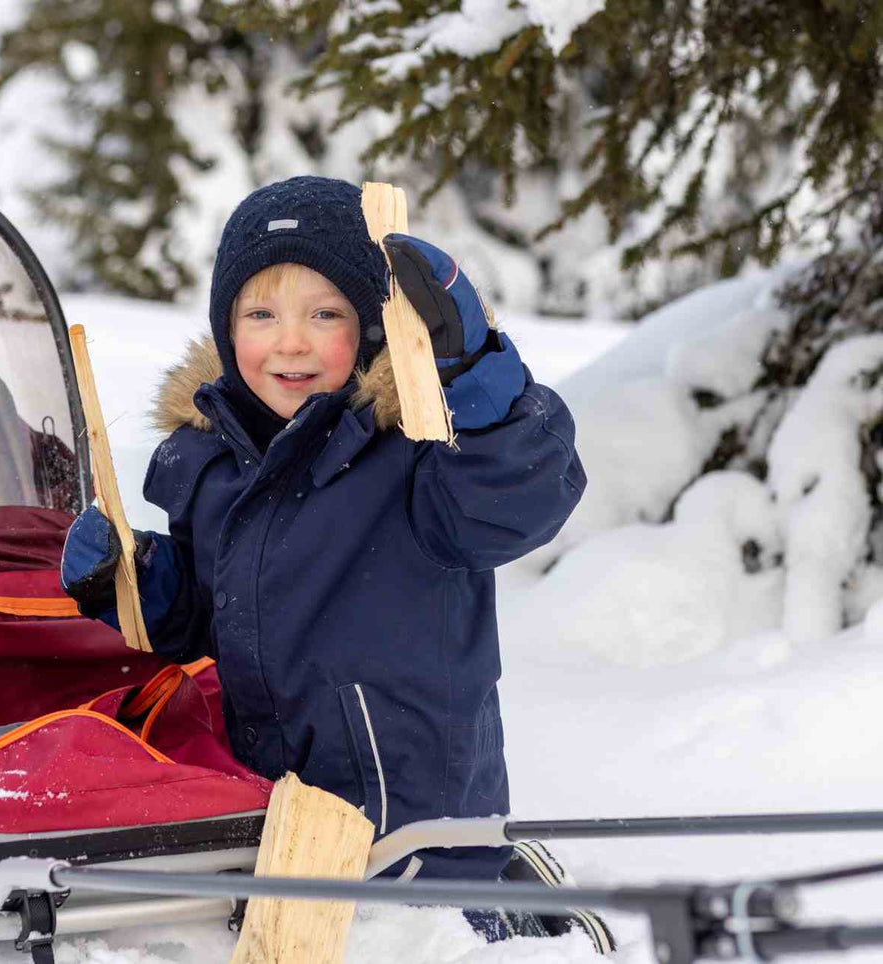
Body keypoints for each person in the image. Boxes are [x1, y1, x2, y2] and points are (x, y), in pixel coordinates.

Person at [60, 176, 587, 938]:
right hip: (278, 828)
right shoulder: (211, 464)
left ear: (374, 328)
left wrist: (474, 379)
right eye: (261, 313)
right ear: (224, 324)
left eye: (326, 314)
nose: (291, 342)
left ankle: (506, 907)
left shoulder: (417, 454)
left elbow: (515, 498)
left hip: (415, 841)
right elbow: (214, 616)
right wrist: (140, 581)